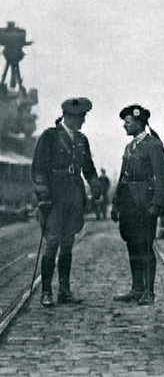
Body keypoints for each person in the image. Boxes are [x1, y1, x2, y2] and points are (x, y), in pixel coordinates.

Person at [32, 97, 101, 307]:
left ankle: (64, 290)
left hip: (74, 198)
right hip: (54, 198)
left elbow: (88, 166)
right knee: (52, 242)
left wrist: (94, 183)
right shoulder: (49, 137)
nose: (83, 122)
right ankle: (46, 292)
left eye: (84, 117)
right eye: (80, 118)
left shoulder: (82, 140)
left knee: (68, 244)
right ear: (68, 116)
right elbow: (38, 168)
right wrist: (43, 197)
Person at [111, 105, 164, 305]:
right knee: (132, 246)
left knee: (145, 247)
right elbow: (122, 177)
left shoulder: (153, 145)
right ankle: (136, 288)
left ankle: (149, 292)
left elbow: (162, 177)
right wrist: (115, 204)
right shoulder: (129, 148)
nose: (124, 126)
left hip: (145, 205)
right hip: (128, 205)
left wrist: (157, 205)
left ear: (138, 122)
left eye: (127, 122)